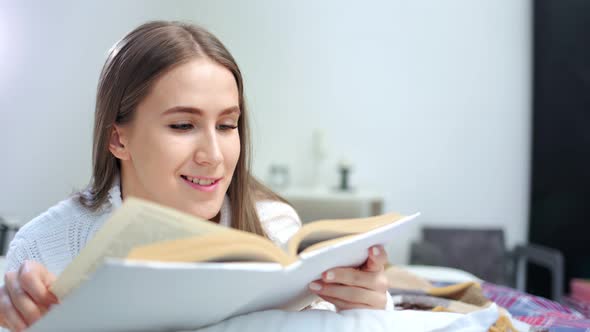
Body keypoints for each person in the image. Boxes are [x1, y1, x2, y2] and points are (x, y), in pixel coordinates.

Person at [0, 21, 391, 331]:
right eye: (183, 125)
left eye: (226, 125)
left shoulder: (274, 227)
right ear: (118, 139)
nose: (214, 156)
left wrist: (370, 304)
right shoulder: (43, 249)